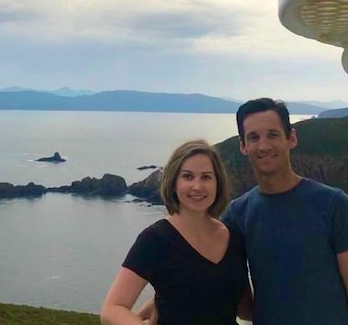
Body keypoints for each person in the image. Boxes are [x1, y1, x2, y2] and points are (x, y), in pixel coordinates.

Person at [224, 97, 348, 325]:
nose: (264, 145)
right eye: (254, 137)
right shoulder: (237, 214)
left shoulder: (333, 204)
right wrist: (158, 303)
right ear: (243, 146)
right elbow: (198, 258)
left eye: (273, 134)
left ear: (292, 138)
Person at [100, 139, 253, 325]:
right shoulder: (155, 239)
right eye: (188, 176)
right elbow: (113, 308)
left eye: (206, 177)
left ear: (217, 183)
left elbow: (245, 310)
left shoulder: (234, 237)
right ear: (174, 183)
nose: (197, 186)